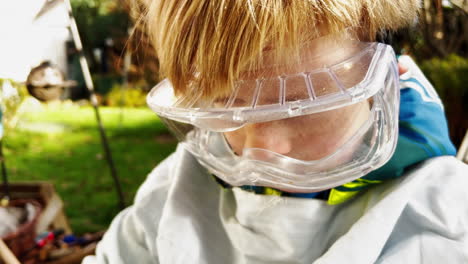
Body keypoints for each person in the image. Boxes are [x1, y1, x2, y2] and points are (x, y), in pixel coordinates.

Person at [83, 1, 468, 263]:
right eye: (225, 106)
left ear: (389, 76)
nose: (261, 151)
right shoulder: (173, 194)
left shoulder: (448, 219)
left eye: (305, 106)